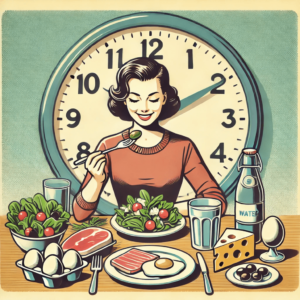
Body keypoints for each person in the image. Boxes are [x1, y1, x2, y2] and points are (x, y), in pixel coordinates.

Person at [73, 57, 227, 222]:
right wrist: (96, 181)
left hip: (170, 232)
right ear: (124, 100)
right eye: (134, 99)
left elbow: (217, 200)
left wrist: (166, 211)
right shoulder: (109, 146)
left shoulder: (183, 147)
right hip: (125, 234)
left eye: (153, 99)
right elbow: (80, 214)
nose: (144, 108)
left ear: (164, 98)